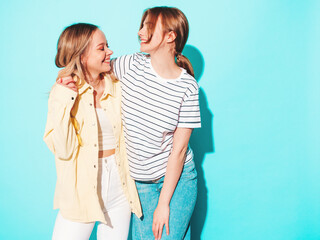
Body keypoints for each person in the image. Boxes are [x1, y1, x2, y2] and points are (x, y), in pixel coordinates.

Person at [43, 23, 141, 240]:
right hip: (80, 189)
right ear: (82, 56)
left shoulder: (118, 86)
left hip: (119, 186)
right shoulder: (64, 92)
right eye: (101, 48)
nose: (110, 52)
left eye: (108, 46)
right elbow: (64, 150)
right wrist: (62, 98)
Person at [112, 7, 201, 240]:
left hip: (177, 179)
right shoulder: (130, 65)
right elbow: (94, 71)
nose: (141, 32)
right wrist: (68, 78)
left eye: (149, 27)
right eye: (142, 25)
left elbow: (179, 151)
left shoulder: (188, 87)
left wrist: (164, 204)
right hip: (140, 183)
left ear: (170, 36)